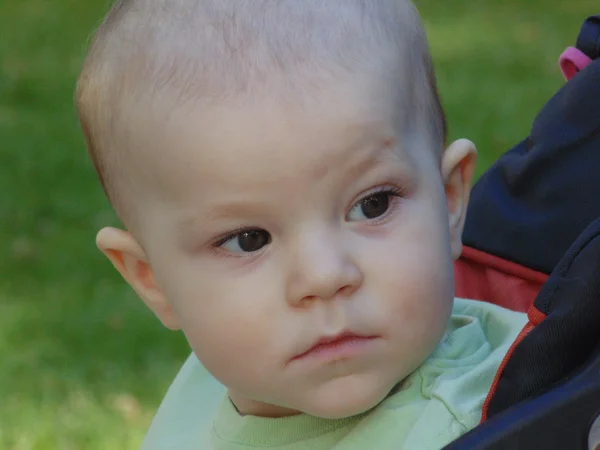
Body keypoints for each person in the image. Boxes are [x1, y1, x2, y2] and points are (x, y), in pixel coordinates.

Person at [75, 1, 527, 448]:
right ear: (153, 279)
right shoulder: (210, 385)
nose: (324, 276)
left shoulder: (507, 415)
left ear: (449, 201)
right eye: (248, 240)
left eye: (372, 205)